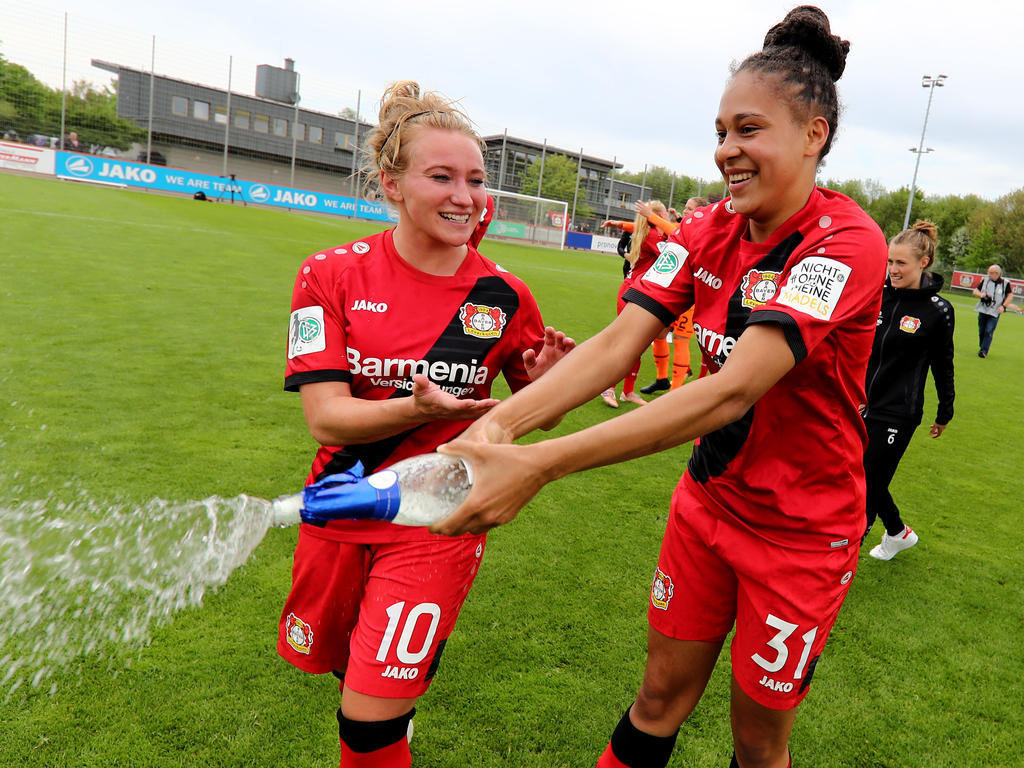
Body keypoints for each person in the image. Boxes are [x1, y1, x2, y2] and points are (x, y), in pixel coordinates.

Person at [435, 7, 886, 768]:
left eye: (749, 130)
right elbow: (618, 344)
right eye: (720, 131)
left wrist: (543, 465)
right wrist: (498, 428)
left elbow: (728, 391)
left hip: (803, 533)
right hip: (708, 507)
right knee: (656, 702)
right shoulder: (708, 229)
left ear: (814, 136)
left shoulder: (844, 243)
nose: (726, 151)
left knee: (757, 743)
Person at [279, 80, 574, 768]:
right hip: (339, 504)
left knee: (367, 722)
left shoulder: (503, 296)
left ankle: (387, 722)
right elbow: (326, 420)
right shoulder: (329, 274)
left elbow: (528, 413)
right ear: (393, 185)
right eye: (441, 176)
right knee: (346, 677)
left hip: (439, 517)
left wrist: (553, 379)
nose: (464, 196)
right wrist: (415, 409)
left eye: (474, 179)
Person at [862, 221, 955, 561]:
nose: (893, 270)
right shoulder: (879, 294)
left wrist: (945, 411)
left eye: (900, 263)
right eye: (890, 262)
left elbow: (943, 365)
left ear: (923, 263)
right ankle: (898, 533)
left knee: (867, 485)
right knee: (864, 473)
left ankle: (838, 563)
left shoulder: (938, 311)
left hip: (899, 413)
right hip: (862, 403)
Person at [599, 199, 671, 407]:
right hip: (634, 295)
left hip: (636, 292)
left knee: (637, 346)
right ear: (655, 216)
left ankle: (627, 392)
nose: (667, 216)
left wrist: (620, 224)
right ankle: (609, 388)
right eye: (664, 213)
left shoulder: (647, 232)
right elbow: (673, 246)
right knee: (627, 346)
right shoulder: (654, 236)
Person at [641, 196, 709, 394]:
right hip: (674, 290)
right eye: (684, 208)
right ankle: (662, 379)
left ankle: (675, 391)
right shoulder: (686, 225)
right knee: (659, 333)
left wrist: (651, 216)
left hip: (692, 293)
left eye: (689, 209)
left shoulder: (701, 228)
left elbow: (675, 230)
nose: (684, 213)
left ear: (700, 212)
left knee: (680, 339)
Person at [971, 263, 1014, 357]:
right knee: (982, 331)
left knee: (989, 330)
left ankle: (984, 351)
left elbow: (1010, 295)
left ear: (997, 273)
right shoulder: (985, 280)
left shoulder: (1005, 283)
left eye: (990, 273)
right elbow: (975, 291)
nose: (988, 274)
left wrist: (1003, 306)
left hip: (995, 311)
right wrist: (981, 295)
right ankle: (982, 346)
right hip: (983, 309)